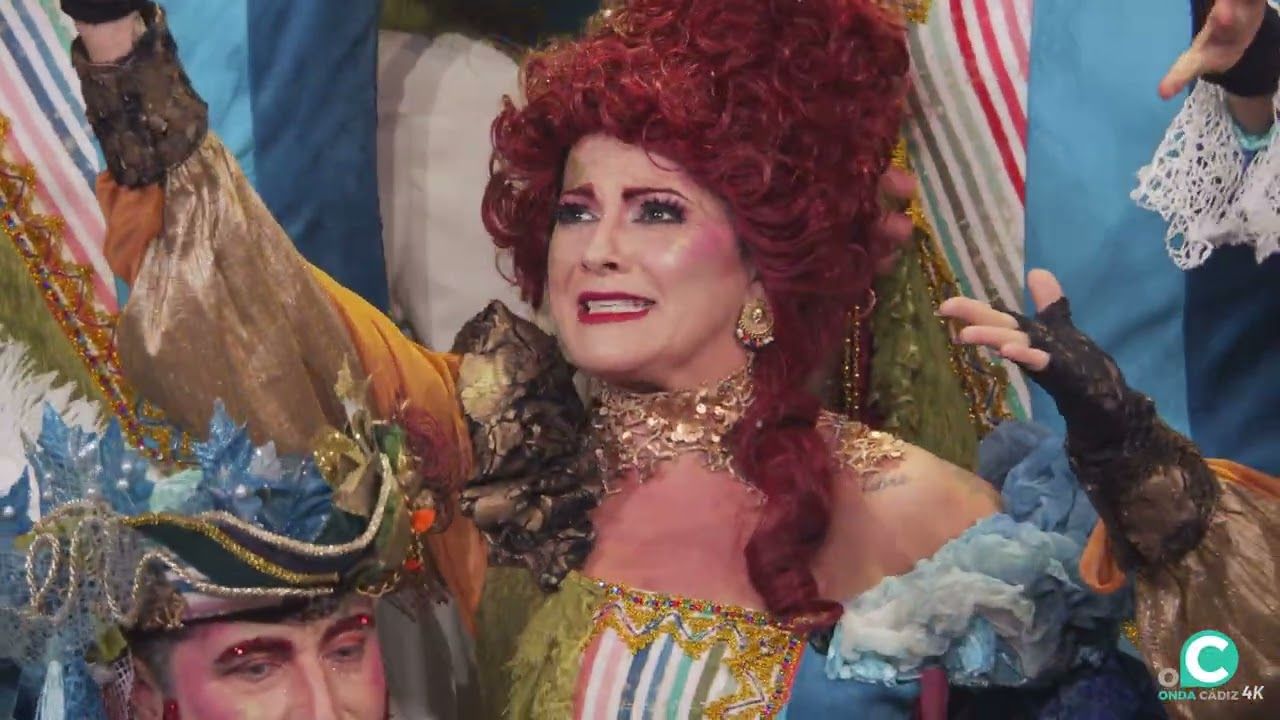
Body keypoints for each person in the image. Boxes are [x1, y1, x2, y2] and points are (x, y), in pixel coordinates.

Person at [461, 0, 1279, 717]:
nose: (598, 249)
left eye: (657, 212)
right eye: (575, 211)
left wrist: (1134, 465)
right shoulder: (516, 469)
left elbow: (1224, 685)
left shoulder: (910, 509)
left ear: (764, 264)